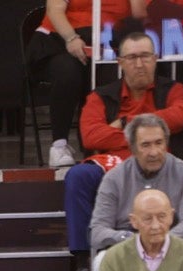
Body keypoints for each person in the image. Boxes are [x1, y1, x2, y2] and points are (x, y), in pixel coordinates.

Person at [61, 52, 183, 271]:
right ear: (120, 63)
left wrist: (124, 122)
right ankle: (83, 263)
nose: (139, 64)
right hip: (113, 162)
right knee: (78, 175)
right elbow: (91, 136)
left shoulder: (173, 89)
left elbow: (177, 118)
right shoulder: (101, 95)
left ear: (155, 59)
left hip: (164, 167)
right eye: (132, 58)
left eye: (145, 56)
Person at [27, 0, 149, 167]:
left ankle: (99, 144)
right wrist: (71, 39)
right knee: (68, 71)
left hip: (106, 42)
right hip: (62, 39)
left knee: (111, 76)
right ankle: (59, 145)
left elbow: (140, 14)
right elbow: (54, 10)